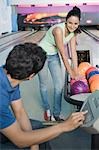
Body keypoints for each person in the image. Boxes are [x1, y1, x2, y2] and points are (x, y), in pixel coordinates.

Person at [0, 42, 87, 150]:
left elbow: (20, 111)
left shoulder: (9, 75)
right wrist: (63, 126)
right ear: (31, 76)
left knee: (38, 129)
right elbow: (20, 140)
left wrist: (34, 144)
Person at [38, 6, 82, 121]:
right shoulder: (58, 30)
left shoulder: (73, 33)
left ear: (79, 23)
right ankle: (46, 109)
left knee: (59, 85)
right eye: (70, 23)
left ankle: (56, 114)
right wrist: (70, 72)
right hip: (41, 55)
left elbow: (73, 53)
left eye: (75, 23)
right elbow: (63, 54)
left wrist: (76, 72)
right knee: (44, 84)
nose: (72, 26)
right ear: (65, 21)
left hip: (53, 56)